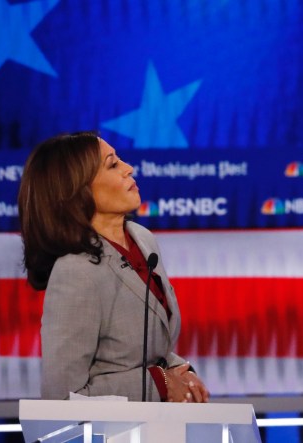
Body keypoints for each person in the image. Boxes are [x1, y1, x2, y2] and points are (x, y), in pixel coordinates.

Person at [18, 131, 210, 403]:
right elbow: (62, 397)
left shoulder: (142, 239)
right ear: (78, 190)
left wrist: (179, 371)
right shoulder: (76, 270)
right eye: (112, 164)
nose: (128, 168)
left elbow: (145, 352)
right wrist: (160, 383)